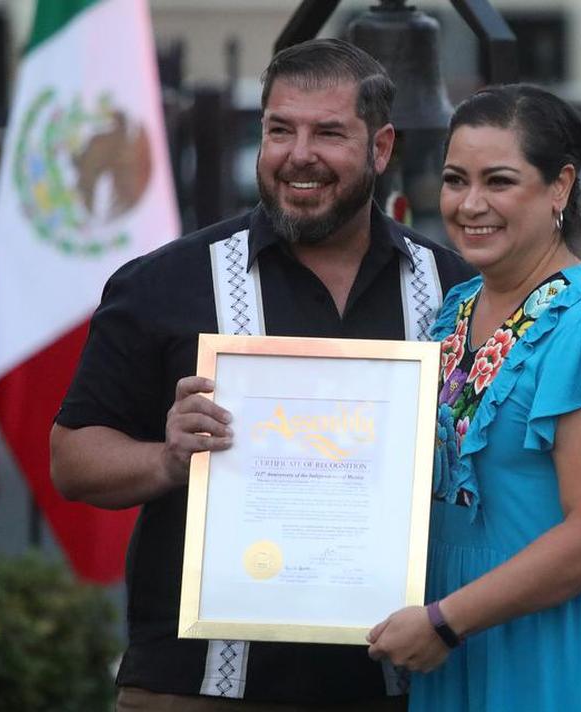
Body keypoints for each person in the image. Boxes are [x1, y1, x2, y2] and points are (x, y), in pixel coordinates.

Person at [49, 38, 473, 710]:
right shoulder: (164, 283)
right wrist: (168, 458)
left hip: (400, 687)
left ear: (381, 148)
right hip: (192, 689)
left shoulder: (455, 292)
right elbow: (72, 459)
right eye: (279, 130)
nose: (297, 154)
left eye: (328, 132)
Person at [366, 84, 581, 711]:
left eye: (500, 181)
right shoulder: (453, 312)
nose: (470, 203)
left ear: (560, 187)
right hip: (457, 639)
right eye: (456, 180)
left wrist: (446, 621)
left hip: (565, 645)